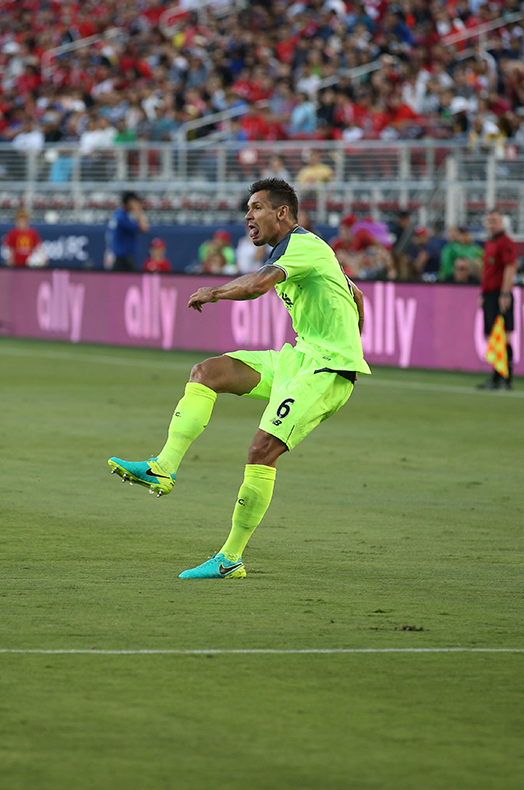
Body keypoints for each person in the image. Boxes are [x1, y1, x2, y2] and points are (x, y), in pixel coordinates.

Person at [107, 178, 368, 579]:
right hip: (298, 357)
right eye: (247, 209)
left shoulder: (303, 246)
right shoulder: (302, 251)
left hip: (325, 368)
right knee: (207, 372)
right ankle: (164, 466)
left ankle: (230, 559)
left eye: (257, 207)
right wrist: (351, 331)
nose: (248, 215)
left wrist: (214, 291)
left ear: (282, 212)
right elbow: (357, 295)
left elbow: (258, 285)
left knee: (261, 451)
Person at [477, 210, 516, 390]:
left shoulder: (505, 243)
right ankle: (499, 378)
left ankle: (504, 379)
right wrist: (483, 295)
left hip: (500, 294)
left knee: (503, 336)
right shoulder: (490, 242)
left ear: (502, 222)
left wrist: (505, 293)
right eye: (489, 221)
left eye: (495, 220)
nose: (491, 224)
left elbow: (510, 267)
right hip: (490, 294)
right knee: (495, 337)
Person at [106, 191, 149, 271]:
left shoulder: (118, 214)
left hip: (119, 256)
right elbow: (144, 228)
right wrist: (138, 210)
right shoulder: (123, 217)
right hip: (123, 258)